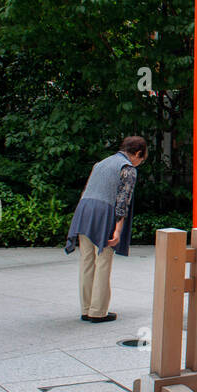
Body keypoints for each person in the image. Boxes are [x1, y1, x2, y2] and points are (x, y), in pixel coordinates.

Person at [65, 136, 147, 322]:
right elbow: (122, 202)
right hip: (104, 212)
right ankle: (98, 311)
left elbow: (87, 190)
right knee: (103, 261)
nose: (140, 162)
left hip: (84, 211)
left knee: (87, 261)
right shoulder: (128, 169)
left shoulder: (100, 164)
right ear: (137, 153)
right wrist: (117, 231)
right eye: (141, 159)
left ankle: (86, 309)